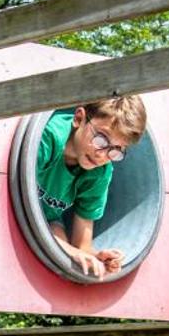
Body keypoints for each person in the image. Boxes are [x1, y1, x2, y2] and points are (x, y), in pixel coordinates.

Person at [35, 95, 146, 278]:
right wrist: (70, 251)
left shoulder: (100, 172)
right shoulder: (49, 138)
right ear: (79, 119)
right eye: (101, 139)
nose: (102, 155)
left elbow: (81, 246)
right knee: (59, 249)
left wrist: (95, 257)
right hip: (25, 208)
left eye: (115, 150)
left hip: (50, 220)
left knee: (62, 258)